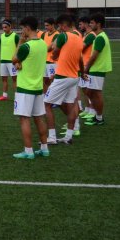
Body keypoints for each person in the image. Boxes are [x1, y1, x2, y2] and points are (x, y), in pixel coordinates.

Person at [11, 16, 50, 159]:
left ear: (27, 28)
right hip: (38, 87)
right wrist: (19, 64)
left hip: (25, 87)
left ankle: (28, 151)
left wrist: (20, 42)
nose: (22, 31)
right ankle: (44, 148)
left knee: (24, 119)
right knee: (39, 118)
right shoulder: (42, 44)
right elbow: (27, 62)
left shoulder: (27, 46)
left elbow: (13, 59)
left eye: (22, 28)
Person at [43, 14, 84, 145]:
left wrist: (55, 54)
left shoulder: (63, 36)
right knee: (71, 105)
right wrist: (82, 73)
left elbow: (55, 53)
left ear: (64, 24)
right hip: (74, 77)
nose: (59, 28)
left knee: (47, 104)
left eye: (60, 25)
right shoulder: (79, 37)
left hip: (63, 77)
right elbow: (80, 59)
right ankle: (68, 136)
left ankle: (52, 137)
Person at [83, 13, 112, 126]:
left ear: (98, 24)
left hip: (98, 68)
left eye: (92, 23)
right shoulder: (99, 36)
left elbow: (94, 56)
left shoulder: (100, 37)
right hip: (96, 69)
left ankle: (99, 118)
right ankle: (97, 115)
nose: (90, 25)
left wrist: (86, 69)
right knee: (90, 92)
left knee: (96, 93)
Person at [78, 16, 97, 121]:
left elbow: (81, 47)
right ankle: (87, 108)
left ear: (86, 24)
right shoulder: (86, 35)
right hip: (83, 65)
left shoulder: (91, 36)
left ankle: (93, 110)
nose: (80, 26)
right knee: (84, 89)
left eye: (81, 24)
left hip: (87, 66)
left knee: (89, 90)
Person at [0, 19, 19, 101]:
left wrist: (17, 61)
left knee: (14, 79)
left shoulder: (15, 36)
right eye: (3, 27)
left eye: (6, 27)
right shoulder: (1, 36)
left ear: (10, 27)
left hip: (12, 61)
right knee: (4, 79)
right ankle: (4, 95)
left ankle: (17, 96)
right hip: (3, 61)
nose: (4, 29)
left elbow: (18, 48)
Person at [39, 18, 59, 93]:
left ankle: (53, 100)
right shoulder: (44, 34)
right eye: (45, 25)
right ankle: (45, 98)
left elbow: (50, 48)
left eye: (47, 25)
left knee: (53, 81)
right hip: (44, 61)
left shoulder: (57, 35)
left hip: (52, 62)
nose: (46, 27)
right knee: (45, 81)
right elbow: (40, 44)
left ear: (53, 25)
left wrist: (41, 50)